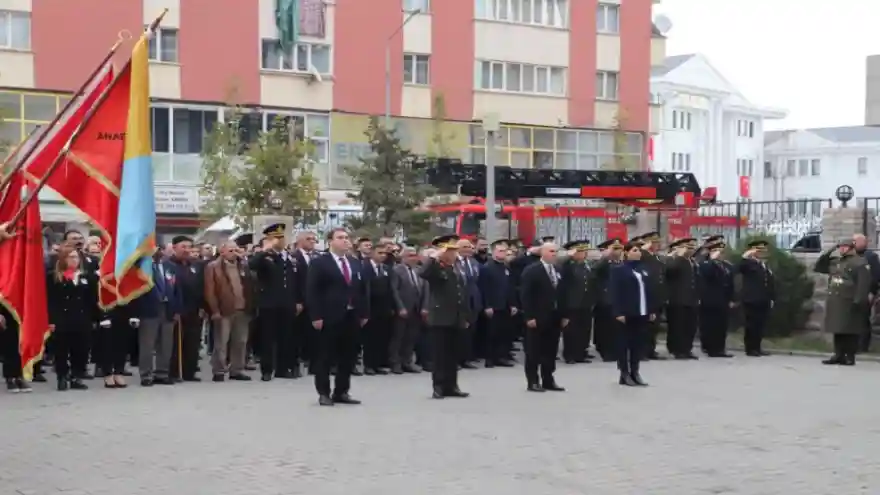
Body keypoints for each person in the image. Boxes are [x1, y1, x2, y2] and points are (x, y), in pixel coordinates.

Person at [306, 227, 368, 406]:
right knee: (325, 356)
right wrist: (316, 315)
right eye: (340, 237)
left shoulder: (355, 262)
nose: (345, 241)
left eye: (347, 237)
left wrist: (364, 312)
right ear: (330, 242)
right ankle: (323, 392)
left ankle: (341, 391)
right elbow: (312, 291)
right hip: (329, 316)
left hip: (351, 315)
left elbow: (362, 290)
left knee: (348, 356)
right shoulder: (320, 263)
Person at [419, 235, 471, 399]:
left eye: (455, 250)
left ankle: (452, 385)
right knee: (440, 355)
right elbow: (423, 273)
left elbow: (462, 294)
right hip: (441, 317)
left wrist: (465, 316)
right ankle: (439, 387)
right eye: (451, 250)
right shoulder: (436, 268)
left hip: (456, 317)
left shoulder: (456, 268)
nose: (455, 253)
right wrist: (434, 256)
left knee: (452, 355)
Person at [248, 224, 302, 381]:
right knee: (268, 338)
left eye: (281, 237)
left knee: (286, 337)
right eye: (276, 238)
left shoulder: (290, 256)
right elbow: (251, 265)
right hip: (269, 303)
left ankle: (283, 368)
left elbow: (295, 280)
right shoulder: (264, 256)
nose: (280, 241)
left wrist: (298, 300)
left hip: (287, 303)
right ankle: (266, 370)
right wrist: (265, 249)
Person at [46, 246, 98, 391]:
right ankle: (62, 376)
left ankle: (77, 376)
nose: (75, 260)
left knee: (81, 350)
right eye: (71, 257)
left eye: (76, 257)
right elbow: (51, 301)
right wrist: (51, 320)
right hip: (62, 319)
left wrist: (95, 318)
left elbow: (92, 299)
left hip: (82, 318)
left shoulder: (86, 276)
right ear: (63, 259)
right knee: (61, 351)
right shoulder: (53, 276)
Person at [814, 239, 872, 366]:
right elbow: (819, 266)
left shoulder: (859, 262)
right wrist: (830, 250)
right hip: (836, 301)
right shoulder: (836, 261)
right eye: (840, 247)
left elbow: (863, 284)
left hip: (850, 300)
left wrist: (858, 300)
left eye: (845, 247)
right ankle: (838, 354)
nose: (842, 249)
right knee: (837, 329)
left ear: (851, 248)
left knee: (850, 330)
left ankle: (850, 356)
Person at [519, 241, 566, 392]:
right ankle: (532, 381)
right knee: (534, 351)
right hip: (537, 317)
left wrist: (564, 315)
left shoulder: (558, 269)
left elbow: (563, 294)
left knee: (550, 350)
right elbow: (526, 295)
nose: (554, 254)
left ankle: (548, 379)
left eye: (556, 252)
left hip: (554, 317)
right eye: (551, 251)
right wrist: (529, 316)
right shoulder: (532, 270)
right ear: (542, 253)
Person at [204, 240, 254, 382]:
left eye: (235, 250)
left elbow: (250, 284)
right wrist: (214, 310)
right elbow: (210, 291)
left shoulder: (243, 265)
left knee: (241, 341)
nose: (234, 253)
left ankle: (237, 369)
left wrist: (244, 258)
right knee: (221, 342)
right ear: (222, 252)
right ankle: (219, 370)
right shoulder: (213, 267)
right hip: (224, 310)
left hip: (242, 309)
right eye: (230, 250)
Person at [609, 240, 655, 386]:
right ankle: (624, 372)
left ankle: (635, 371)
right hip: (626, 312)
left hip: (641, 312)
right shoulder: (619, 269)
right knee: (624, 343)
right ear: (626, 252)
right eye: (635, 250)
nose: (638, 253)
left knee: (637, 344)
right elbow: (614, 292)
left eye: (639, 250)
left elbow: (649, 291)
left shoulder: (643, 269)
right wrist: (618, 312)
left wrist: (651, 309)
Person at [138, 248, 183, 386]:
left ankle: (162, 373)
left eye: (160, 249)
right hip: (149, 309)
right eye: (154, 249)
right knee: (147, 344)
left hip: (168, 308)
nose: (158, 252)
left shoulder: (170, 267)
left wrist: (177, 309)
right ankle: (146, 375)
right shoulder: (141, 267)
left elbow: (177, 289)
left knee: (166, 344)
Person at [166, 235, 206, 382]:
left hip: (195, 309)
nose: (187, 250)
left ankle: (190, 371)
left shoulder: (196, 265)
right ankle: (175, 372)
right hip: (177, 310)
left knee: (193, 341)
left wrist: (203, 306)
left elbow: (202, 287)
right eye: (183, 247)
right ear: (175, 247)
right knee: (176, 343)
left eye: (189, 247)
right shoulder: (169, 265)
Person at [477, 239, 517, 368]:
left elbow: (510, 287)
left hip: (505, 305)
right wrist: (487, 305)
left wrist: (513, 304)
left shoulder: (505, 267)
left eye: (505, 251)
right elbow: (484, 288)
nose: (503, 253)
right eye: (500, 251)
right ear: (493, 252)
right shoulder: (487, 268)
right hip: (493, 306)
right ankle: (490, 358)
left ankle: (501, 356)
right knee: (491, 334)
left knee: (504, 333)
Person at [558, 240, 595, 364]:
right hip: (572, 303)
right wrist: (567, 256)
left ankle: (581, 353)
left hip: (585, 303)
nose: (584, 254)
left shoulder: (586, 265)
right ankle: (570, 355)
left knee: (584, 330)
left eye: (585, 251)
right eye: (580, 251)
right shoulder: (568, 266)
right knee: (571, 331)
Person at [389, 246, 425, 374]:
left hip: (416, 308)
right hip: (403, 308)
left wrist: (424, 307)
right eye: (410, 255)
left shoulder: (419, 270)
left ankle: (407, 361)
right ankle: (395, 363)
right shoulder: (397, 270)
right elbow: (394, 291)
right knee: (398, 337)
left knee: (411, 336)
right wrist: (400, 307)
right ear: (403, 257)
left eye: (415, 255)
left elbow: (424, 289)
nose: (413, 257)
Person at [697, 241, 735, 358]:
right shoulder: (705, 264)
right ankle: (711, 348)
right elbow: (707, 273)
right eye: (717, 251)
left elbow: (730, 283)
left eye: (722, 252)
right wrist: (712, 260)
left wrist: (732, 298)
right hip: (710, 300)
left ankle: (720, 348)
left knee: (722, 325)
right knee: (711, 325)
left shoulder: (726, 265)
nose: (720, 254)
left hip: (723, 300)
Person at [738, 240, 776, 357]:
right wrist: (745, 257)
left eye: (764, 249)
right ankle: (750, 348)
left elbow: (769, 283)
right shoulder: (748, 263)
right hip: (751, 299)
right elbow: (739, 268)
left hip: (763, 299)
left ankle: (757, 347)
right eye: (759, 249)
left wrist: (771, 298)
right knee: (751, 325)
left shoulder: (763, 264)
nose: (762, 252)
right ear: (753, 250)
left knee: (760, 325)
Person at [362, 242, 394, 375]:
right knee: (370, 338)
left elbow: (391, 289)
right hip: (371, 307)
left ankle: (379, 363)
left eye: (384, 253)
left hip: (384, 307)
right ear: (372, 253)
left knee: (382, 337)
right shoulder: (364, 267)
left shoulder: (386, 269)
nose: (383, 256)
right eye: (379, 253)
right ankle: (369, 364)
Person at [665, 238, 700, 360]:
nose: (690, 250)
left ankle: (687, 349)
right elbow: (669, 272)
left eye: (692, 247)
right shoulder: (673, 260)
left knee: (690, 326)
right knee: (678, 326)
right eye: (688, 247)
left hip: (691, 299)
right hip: (677, 299)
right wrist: (679, 256)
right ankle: (678, 350)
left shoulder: (692, 261)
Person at [634, 232, 667, 360]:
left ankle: (650, 350)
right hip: (645, 295)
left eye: (657, 242)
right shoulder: (642, 255)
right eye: (653, 243)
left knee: (654, 325)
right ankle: (641, 351)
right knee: (644, 326)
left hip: (656, 295)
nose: (657, 245)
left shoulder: (656, 257)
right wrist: (643, 249)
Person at [592, 238, 623, 362]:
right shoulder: (602, 262)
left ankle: (615, 350)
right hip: (604, 299)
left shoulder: (619, 262)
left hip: (617, 299)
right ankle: (606, 352)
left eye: (619, 248)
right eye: (614, 248)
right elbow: (594, 272)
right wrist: (605, 257)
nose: (617, 251)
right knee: (605, 328)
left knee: (615, 328)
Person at [292, 231, 318, 375]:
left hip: (314, 301)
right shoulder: (294, 257)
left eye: (314, 239)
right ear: (300, 241)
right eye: (309, 239)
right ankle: (295, 365)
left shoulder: (317, 256)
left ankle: (313, 364)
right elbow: (293, 282)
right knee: (296, 335)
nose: (312, 241)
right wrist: (297, 300)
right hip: (300, 302)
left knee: (314, 334)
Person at [852, 234, 880, 352]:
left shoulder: (871, 257)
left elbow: (875, 276)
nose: (853, 243)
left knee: (863, 319)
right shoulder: (851, 256)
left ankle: (862, 346)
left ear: (863, 242)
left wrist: (872, 292)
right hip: (851, 293)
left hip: (866, 293)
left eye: (855, 241)